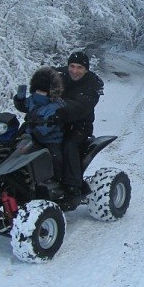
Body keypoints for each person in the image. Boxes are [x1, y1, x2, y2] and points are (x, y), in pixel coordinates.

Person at [55, 50, 104, 204]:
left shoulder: (92, 84)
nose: (74, 71)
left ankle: (73, 185)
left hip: (79, 125)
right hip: (55, 122)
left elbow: (81, 107)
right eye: (72, 66)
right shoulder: (58, 76)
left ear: (86, 69)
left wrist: (59, 106)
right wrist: (24, 100)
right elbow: (40, 90)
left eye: (79, 68)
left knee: (69, 145)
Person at [13, 67, 65, 180]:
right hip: (30, 136)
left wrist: (36, 132)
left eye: (43, 92)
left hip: (51, 140)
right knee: (13, 149)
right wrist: (19, 99)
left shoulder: (55, 106)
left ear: (50, 92)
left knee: (55, 158)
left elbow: (49, 125)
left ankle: (58, 179)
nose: (39, 94)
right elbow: (23, 106)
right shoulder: (32, 100)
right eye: (37, 91)